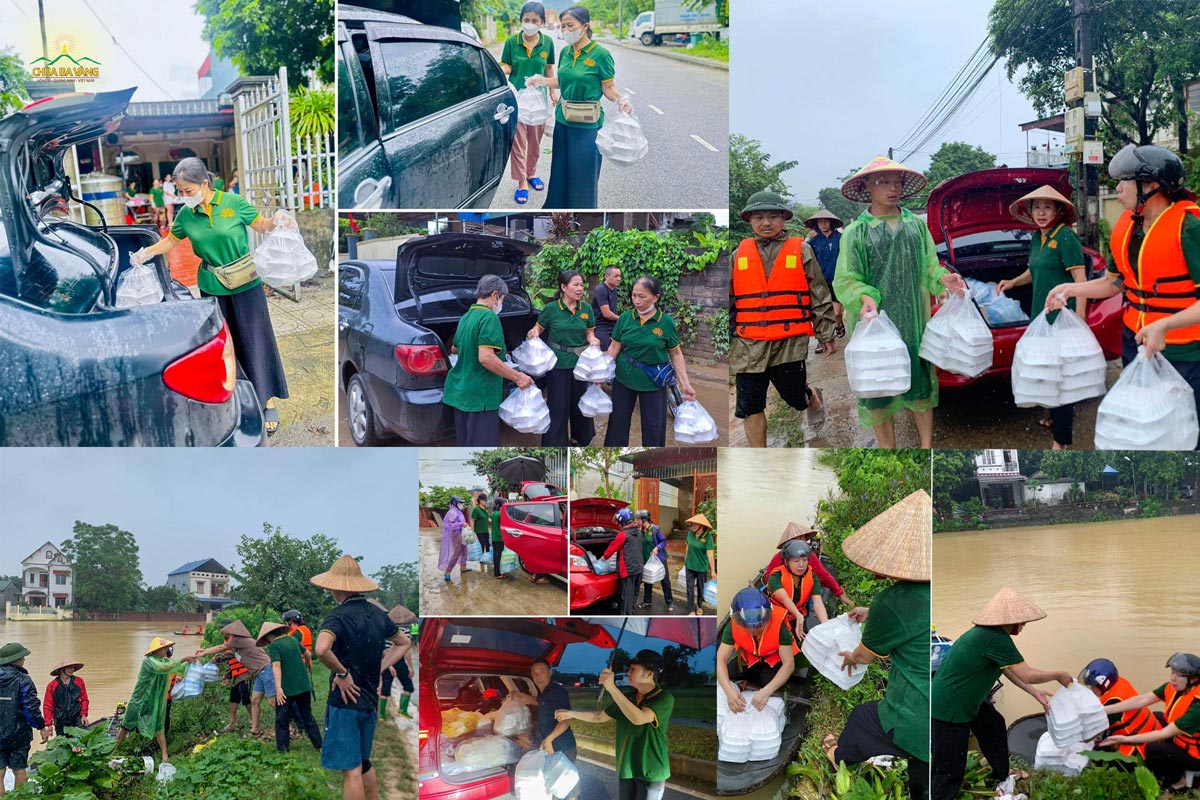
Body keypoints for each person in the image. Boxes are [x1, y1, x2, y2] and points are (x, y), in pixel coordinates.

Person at [1047, 145, 1200, 448]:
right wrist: (1071, 288)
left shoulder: (1189, 227)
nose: (1116, 188)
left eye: (1123, 181)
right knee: (1146, 429)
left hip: (1184, 352)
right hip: (1136, 343)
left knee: (1184, 432)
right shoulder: (1128, 227)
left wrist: (1165, 326)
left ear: (1151, 185)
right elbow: (1114, 284)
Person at [131, 157, 291, 435]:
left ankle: (266, 400)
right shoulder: (185, 216)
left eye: (188, 191)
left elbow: (262, 225)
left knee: (255, 340)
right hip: (211, 286)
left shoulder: (233, 203)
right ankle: (237, 397)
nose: (183, 197)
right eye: (180, 192)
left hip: (245, 284)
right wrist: (146, 253)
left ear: (204, 183)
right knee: (224, 344)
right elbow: (171, 240)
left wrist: (278, 219)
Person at [833, 156, 967, 448]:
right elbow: (845, 279)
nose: (892, 188)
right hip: (873, 323)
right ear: (867, 186)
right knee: (877, 387)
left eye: (897, 181)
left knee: (919, 383)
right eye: (883, 181)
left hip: (913, 320)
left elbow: (930, 265)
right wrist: (864, 296)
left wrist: (944, 279)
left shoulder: (915, 227)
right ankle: (888, 451)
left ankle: (926, 446)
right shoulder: (856, 232)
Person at [822, 489, 933, 800]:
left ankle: (837, 757)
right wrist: (872, 613)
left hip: (921, 713)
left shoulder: (893, 599)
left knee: (862, 719)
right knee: (924, 780)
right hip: (947, 701)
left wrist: (851, 656)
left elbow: (865, 655)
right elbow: (918, 617)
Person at [930, 587, 1073, 799]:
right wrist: (1057, 675)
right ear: (1009, 620)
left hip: (971, 697)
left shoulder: (988, 635)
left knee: (993, 725)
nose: (1023, 626)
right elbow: (1026, 674)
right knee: (950, 767)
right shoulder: (996, 639)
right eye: (1021, 621)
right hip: (950, 705)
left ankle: (1002, 772)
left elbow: (1008, 670)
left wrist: (1034, 693)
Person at [732, 192, 836, 447]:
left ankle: (810, 396)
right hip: (748, 343)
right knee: (750, 406)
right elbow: (730, 301)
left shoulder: (801, 249)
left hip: (789, 341)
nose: (766, 222)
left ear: (783, 219)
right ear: (750, 220)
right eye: (759, 217)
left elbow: (819, 294)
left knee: (795, 398)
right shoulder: (738, 254)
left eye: (772, 216)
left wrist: (826, 334)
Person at [310, 556, 410, 800]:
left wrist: (343, 673)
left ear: (336, 587)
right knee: (364, 762)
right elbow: (404, 642)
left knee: (351, 769)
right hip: (369, 701)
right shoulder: (377, 615)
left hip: (345, 702)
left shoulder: (337, 616)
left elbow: (321, 649)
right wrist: (380, 670)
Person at [996, 186, 1089, 448]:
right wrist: (1012, 282)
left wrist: (1079, 323)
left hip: (1062, 320)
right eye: (1037, 207)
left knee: (1062, 381)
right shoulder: (1038, 238)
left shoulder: (1066, 238)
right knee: (1047, 373)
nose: (1041, 212)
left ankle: (1061, 441)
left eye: (1047, 207)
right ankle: (1052, 417)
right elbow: (1033, 271)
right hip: (1041, 316)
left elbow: (1080, 282)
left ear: (1059, 211)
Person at [527, 5, 632, 208]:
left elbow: (608, 88)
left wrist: (621, 99)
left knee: (583, 175)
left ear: (585, 26)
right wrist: (540, 80)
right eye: (563, 26)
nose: (565, 30)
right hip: (563, 121)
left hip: (587, 125)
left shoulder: (601, 55)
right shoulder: (566, 52)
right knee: (559, 172)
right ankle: (556, 211)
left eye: (570, 25)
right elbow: (563, 81)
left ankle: (580, 213)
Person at [555, 650, 673, 800]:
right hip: (627, 767)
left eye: (633, 669)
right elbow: (599, 717)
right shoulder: (628, 697)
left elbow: (639, 718)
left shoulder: (664, 698)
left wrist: (612, 688)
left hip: (651, 769)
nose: (628, 672)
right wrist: (572, 713)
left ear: (649, 673)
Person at [603, 275, 697, 446]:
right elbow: (614, 348)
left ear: (656, 297)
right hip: (624, 378)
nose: (636, 301)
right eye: (634, 295)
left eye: (642, 296)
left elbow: (675, 353)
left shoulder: (665, 322)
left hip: (653, 382)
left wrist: (685, 384)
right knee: (617, 423)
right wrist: (601, 373)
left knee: (654, 427)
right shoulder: (625, 318)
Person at [442, 274, 535, 446]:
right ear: (494, 295)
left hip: (461, 393)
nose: (501, 304)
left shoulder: (466, 317)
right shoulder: (489, 318)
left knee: (466, 446)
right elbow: (485, 357)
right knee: (483, 449)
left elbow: (454, 348)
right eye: (502, 299)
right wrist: (518, 377)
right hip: (480, 397)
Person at [1099, 653, 1200, 792]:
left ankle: (1179, 783)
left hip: (1196, 754)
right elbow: (1141, 700)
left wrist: (1126, 739)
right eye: (1172, 672)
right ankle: (1171, 767)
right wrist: (1103, 710)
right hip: (1182, 738)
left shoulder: (1197, 706)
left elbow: (1165, 733)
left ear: (1193, 679)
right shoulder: (1174, 688)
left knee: (1152, 749)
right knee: (1157, 716)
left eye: (1179, 675)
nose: (1173, 678)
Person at [528, 269, 600, 446]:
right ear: (563, 287)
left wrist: (593, 340)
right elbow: (539, 328)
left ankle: (579, 438)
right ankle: (556, 444)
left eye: (582, 285)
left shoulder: (586, 309)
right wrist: (534, 332)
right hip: (557, 364)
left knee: (579, 404)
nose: (580, 288)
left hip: (580, 365)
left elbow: (589, 332)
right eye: (575, 284)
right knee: (558, 406)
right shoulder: (552, 309)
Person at [500, 2, 557, 205]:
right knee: (518, 143)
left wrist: (552, 92)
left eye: (534, 20)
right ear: (521, 20)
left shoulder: (548, 42)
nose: (530, 24)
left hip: (539, 100)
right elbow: (506, 65)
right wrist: (500, 70)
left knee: (534, 143)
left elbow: (549, 68)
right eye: (526, 20)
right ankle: (522, 182)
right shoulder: (511, 42)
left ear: (541, 22)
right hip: (517, 98)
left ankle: (532, 173)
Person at [115, 637, 197, 762]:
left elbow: (175, 667)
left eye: (166, 647)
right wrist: (184, 658)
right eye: (163, 648)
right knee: (126, 725)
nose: (166, 649)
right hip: (139, 700)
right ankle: (114, 750)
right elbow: (162, 668)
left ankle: (165, 755)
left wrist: (191, 660)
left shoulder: (164, 660)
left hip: (154, 701)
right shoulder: (148, 661)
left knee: (159, 727)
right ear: (156, 650)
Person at [717, 589, 795, 712]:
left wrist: (766, 691)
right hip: (749, 657)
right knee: (730, 673)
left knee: (769, 683)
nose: (754, 631)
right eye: (748, 627)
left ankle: (762, 684)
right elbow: (721, 659)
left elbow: (789, 664)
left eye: (759, 626)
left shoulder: (779, 626)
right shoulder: (732, 626)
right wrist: (729, 691)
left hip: (772, 660)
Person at [194, 619, 276, 737]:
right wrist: (227, 674)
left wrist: (204, 653)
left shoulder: (238, 640)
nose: (224, 633)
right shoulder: (235, 642)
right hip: (258, 673)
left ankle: (286, 725)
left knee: (272, 702)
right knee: (255, 701)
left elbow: (220, 649)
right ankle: (255, 729)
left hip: (265, 670)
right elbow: (229, 656)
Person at [256, 622, 322, 754]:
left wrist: (278, 688)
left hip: (287, 689)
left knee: (281, 719)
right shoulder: (293, 639)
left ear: (269, 636)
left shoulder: (274, 646)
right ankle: (319, 746)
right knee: (307, 715)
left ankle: (283, 750)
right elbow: (308, 654)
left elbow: (276, 666)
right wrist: (307, 667)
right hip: (303, 685)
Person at [1077, 658, 1161, 758]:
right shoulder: (1119, 683)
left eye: (1093, 686)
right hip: (1152, 734)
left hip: (1137, 746)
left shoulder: (1114, 701)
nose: (1091, 689)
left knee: (1097, 752)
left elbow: (1092, 731)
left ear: (1104, 684)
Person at [764, 522, 852, 608]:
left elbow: (824, 576)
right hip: (781, 601)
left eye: (803, 539)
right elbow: (769, 578)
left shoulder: (811, 557)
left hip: (800, 600)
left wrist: (840, 594)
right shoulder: (778, 558)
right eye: (796, 540)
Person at [0, 642, 50, 792]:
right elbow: (30, 708)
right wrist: (41, 726)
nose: (24, 660)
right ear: (15, 659)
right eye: (22, 657)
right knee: (19, 769)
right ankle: (20, 797)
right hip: (19, 734)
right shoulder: (23, 680)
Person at [512, 658, 577, 760]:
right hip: (551, 745)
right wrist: (517, 695)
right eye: (534, 673)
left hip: (563, 748)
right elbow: (535, 701)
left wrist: (549, 739)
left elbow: (566, 719)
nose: (537, 676)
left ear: (550, 672)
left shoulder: (556, 691)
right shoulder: (545, 693)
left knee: (561, 775)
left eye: (541, 672)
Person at [766, 539, 828, 644]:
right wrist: (798, 615)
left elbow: (818, 602)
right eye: (796, 561)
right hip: (777, 619)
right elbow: (785, 599)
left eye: (804, 560)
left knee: (800, 641)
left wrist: (826, 625)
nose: (801, 565)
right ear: (786, 562)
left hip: (797, 618)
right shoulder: (775, 577)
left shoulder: (812, 577)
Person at [806, 209, 847, 337]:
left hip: (838, 280)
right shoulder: (812, 242)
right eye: (820, 222)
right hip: (820, 282)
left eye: (826, 221)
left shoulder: (841, 239)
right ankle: (825, 338)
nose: (823, 224)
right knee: (821, 312)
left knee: (836, 313)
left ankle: (839, 325)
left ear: (831, 223)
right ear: (816, 224)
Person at [601, 508, 644, 615]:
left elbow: (612, 547)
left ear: (622, 522)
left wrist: (603, 558)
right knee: (634, 593)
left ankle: (625, 614)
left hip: (628, 570)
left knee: (626, 596)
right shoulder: (638, 531)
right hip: (638, 568)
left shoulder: (623, 534)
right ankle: (632, 612)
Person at [634, 510, 673, 613]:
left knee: (665, 580)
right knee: (648, 579)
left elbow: (663, 541)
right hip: (646, 560)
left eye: (638, 519)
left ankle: (669, 602)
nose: (637, 521)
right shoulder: (640, 531)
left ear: (645, 520)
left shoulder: (655, 529)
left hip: (659, 559)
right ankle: (647, 601)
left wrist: (657, 547)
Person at [43, 659, 89, 737]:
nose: (72, 670)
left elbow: (84, 700)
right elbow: (47, 706)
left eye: (73, 667)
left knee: (81, 740)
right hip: (60, 720)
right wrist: (49, 724)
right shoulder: (52, 685)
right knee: (63, 743)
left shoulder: (79, 681)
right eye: (69, 668)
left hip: (77, 718)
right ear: (62, 670)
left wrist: (84, 715)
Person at [682, 513, 715, 616]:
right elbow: (687, 548)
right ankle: (691, 609)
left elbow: (710, 554)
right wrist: (685, 561)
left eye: (696, 525)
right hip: (690, 566)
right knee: (690, 588)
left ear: (702, 526)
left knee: (701, 589)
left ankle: (699, 606)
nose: (693, 526)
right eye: (692, 524)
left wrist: (713, 571)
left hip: (701, 568)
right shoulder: (690, 534)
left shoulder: (708, 537)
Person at [592, 266, 622, 350]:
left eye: (620, 276)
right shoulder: (601, 289)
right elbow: (607, 314)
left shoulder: (614, 289)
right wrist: (622, 318)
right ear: (606, 276)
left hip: (612, 326)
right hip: (601, 327)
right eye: (616, 276)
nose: (619, 279)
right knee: (605, 354)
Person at [438, 495, 468, 582]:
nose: (461, 504)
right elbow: (450, 524)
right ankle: (448, 571)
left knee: (464, 550)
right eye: (460, 503)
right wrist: (461, 524)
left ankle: (463, 567)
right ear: (455, 503)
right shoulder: (452, 512)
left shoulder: (458, 511)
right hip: (455, 533)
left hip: (461, 532)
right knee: (457, 552)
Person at [490, 498, 510, 580]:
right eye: (505, 503)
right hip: (499, 538)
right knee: (498, 556)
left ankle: (497, 571)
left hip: (494, 537)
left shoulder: (495, 513)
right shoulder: (501, 513)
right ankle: (498, 574)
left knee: (496, 555)